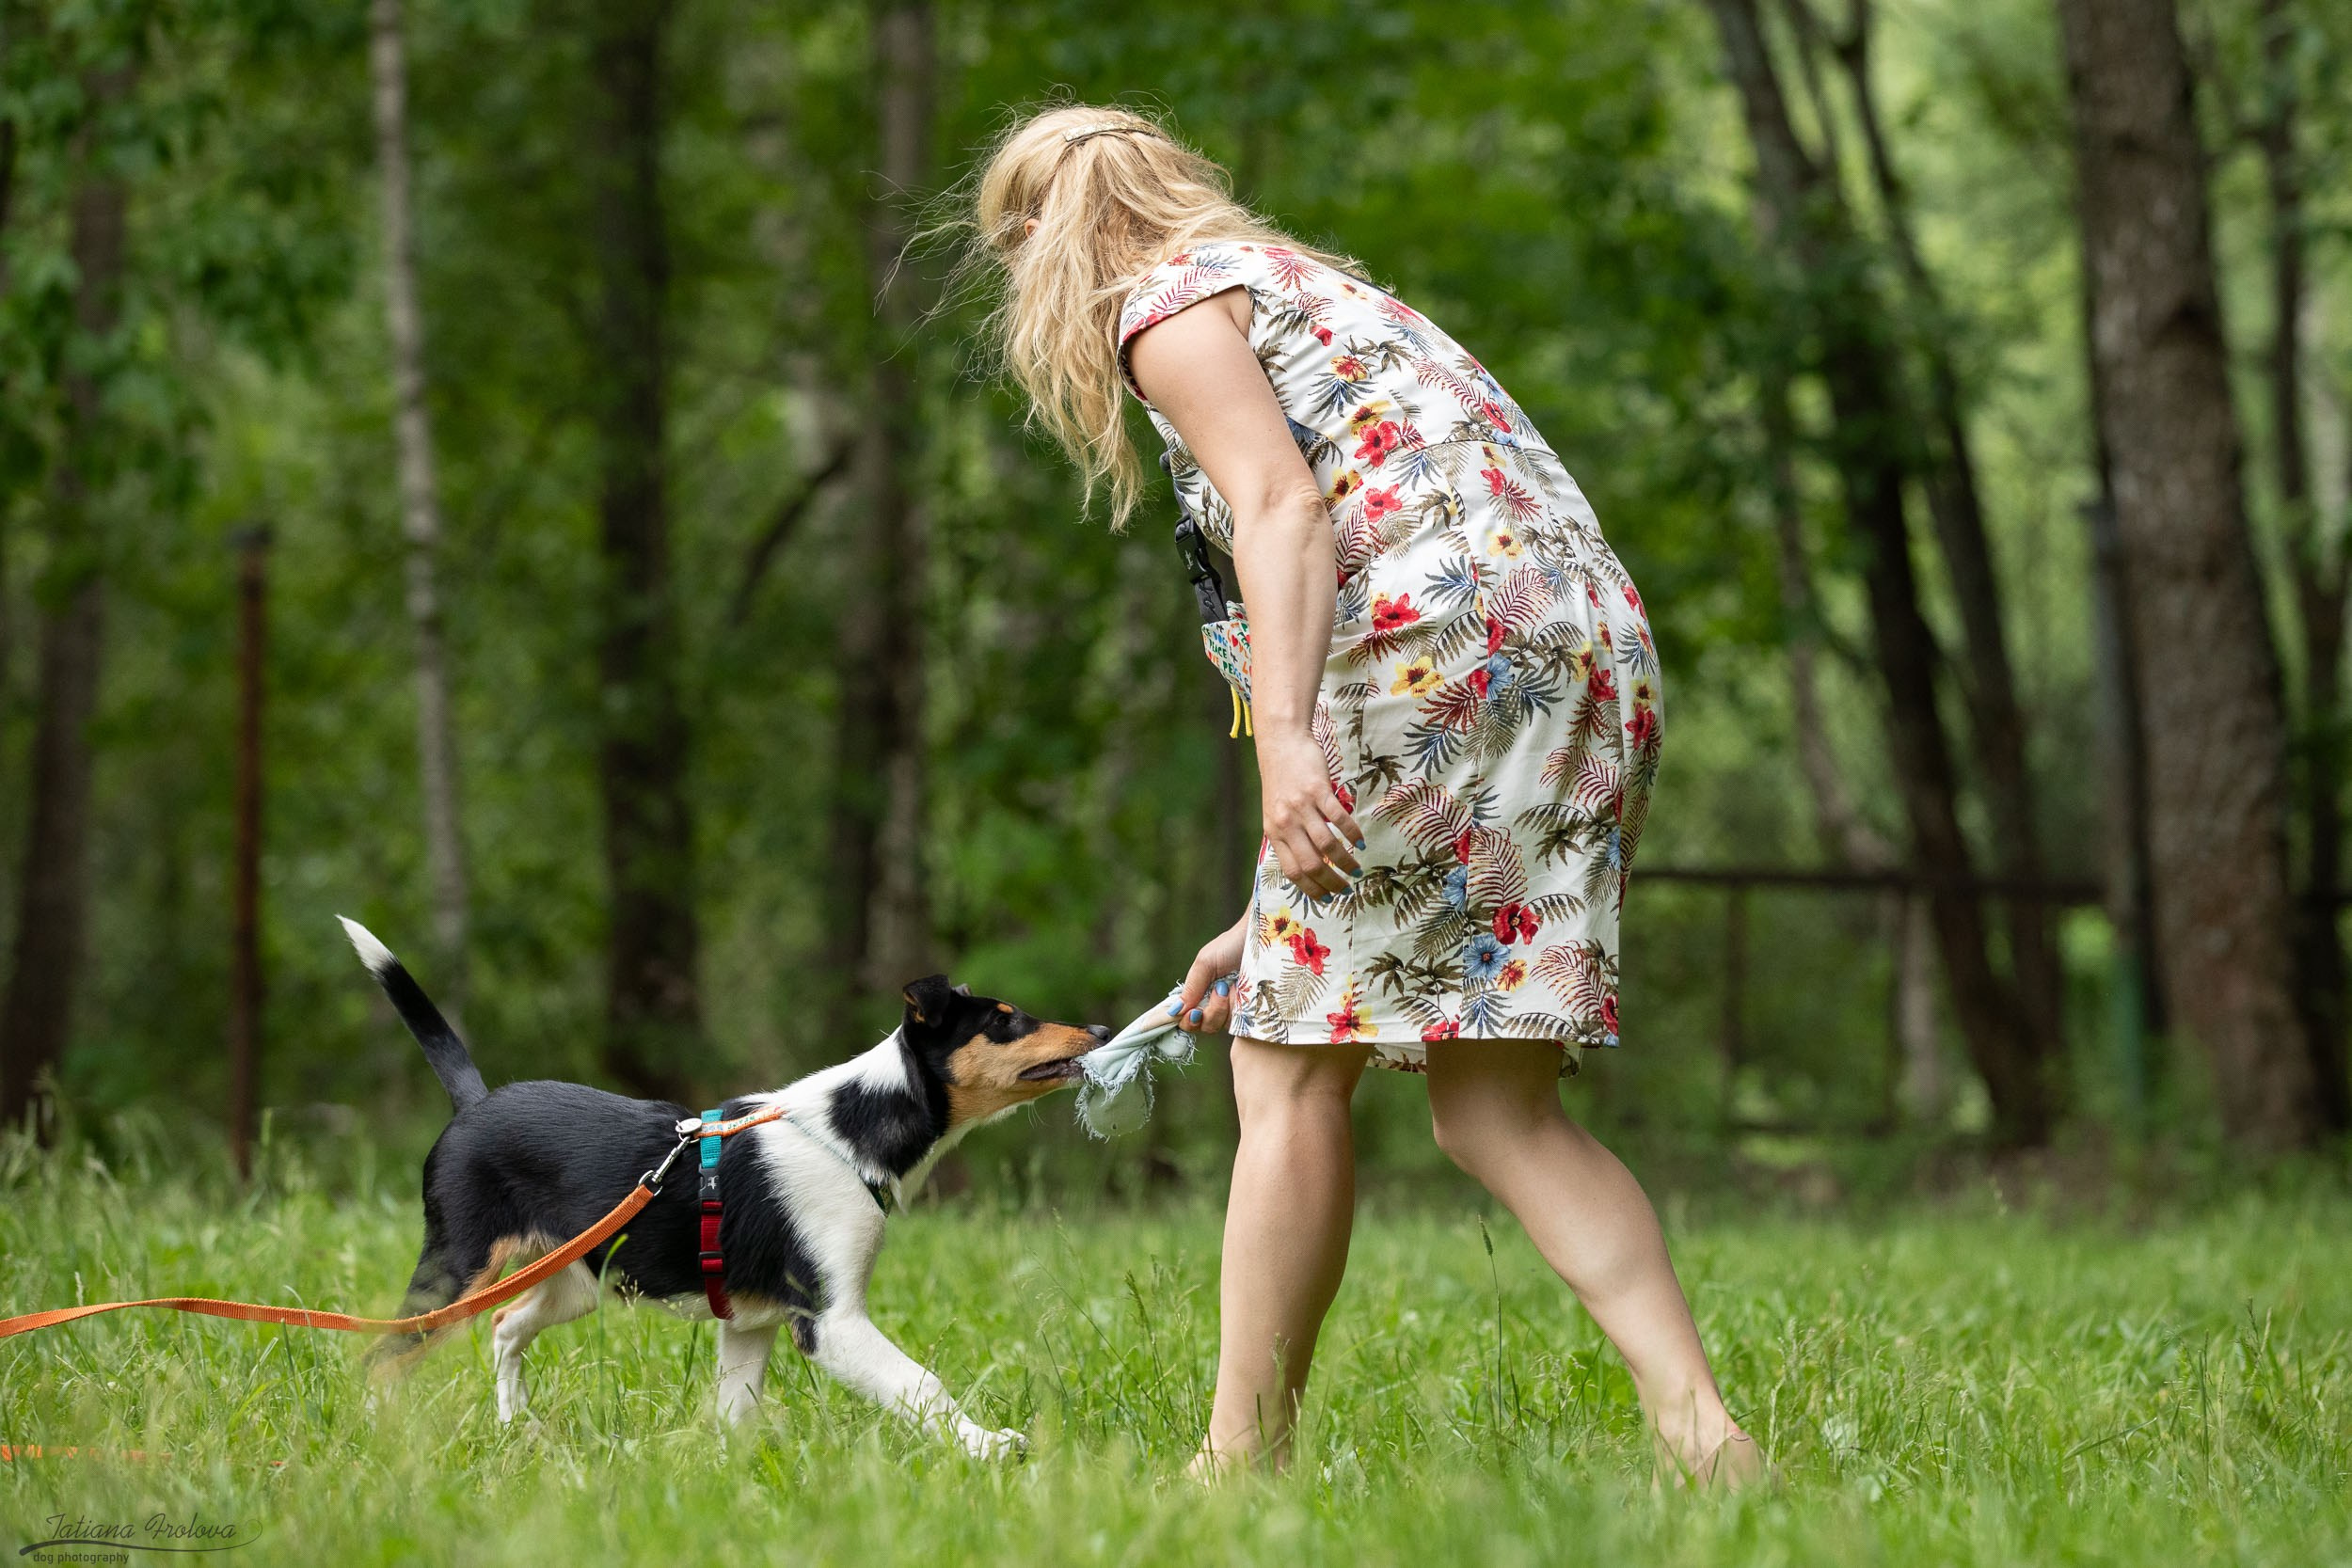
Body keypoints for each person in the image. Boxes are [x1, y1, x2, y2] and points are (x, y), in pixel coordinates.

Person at [968, 103, 1760, 1487]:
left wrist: (1281, 741)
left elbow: (1285, 509)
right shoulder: (1315, 293)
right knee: (1496, 1109)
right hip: (1576, 656)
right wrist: (1267, 907)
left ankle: (1239, 1464)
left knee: (1282, 1072)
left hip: (1441, 665)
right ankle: (1707, 1439)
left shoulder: (1167, 307)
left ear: (1049, 241)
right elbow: (1416, 516)